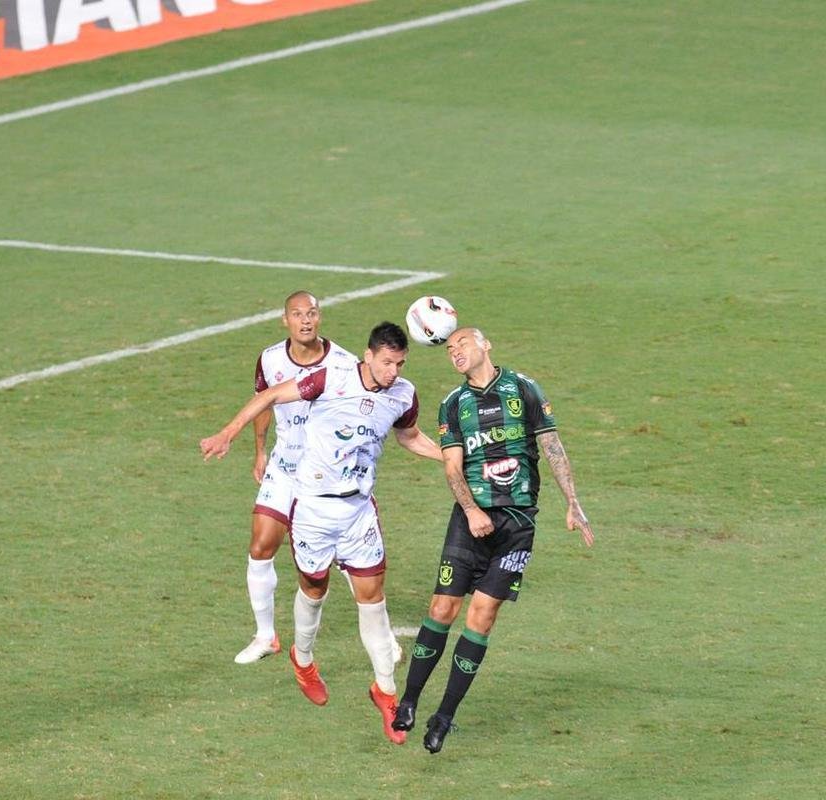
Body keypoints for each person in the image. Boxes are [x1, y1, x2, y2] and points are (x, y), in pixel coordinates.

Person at [201, 321, 442, 744]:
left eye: (400, 363)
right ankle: (303, 658)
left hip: (358, 511)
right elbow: (272, 394)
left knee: (372, 599)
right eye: (387, 362)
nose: (393, 371)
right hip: (312, 508)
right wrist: (228, 432)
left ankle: (385, 692)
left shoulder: (403, 394)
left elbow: (409, 436)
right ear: (368, 356)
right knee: (314, 589)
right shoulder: (332, 378)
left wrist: (448, 458)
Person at [390, 326, 595, 754]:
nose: (455, 352)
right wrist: (471, 511)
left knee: (481, 618)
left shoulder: (524, 389)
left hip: (518, 524)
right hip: (471, 520)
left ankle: (443, 716)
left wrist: (573, 502)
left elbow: (552, 446)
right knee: (442, 608)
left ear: (485, 345)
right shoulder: (453, 404)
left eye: (462, 343)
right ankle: (408, 701)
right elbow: (451, 467)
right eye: (449, 349)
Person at [230, 290, 359, 665]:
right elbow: (264, 403)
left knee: (346, 557)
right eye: (297, 314)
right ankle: (266, 636)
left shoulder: (344, 364)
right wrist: (259, 449)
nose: (305, 320)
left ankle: (377, 628)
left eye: (312, 313)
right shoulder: (270, 359)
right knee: (260, 547)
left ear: (320, 318)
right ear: (284, 319)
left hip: (326, 476)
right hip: (285, 467)